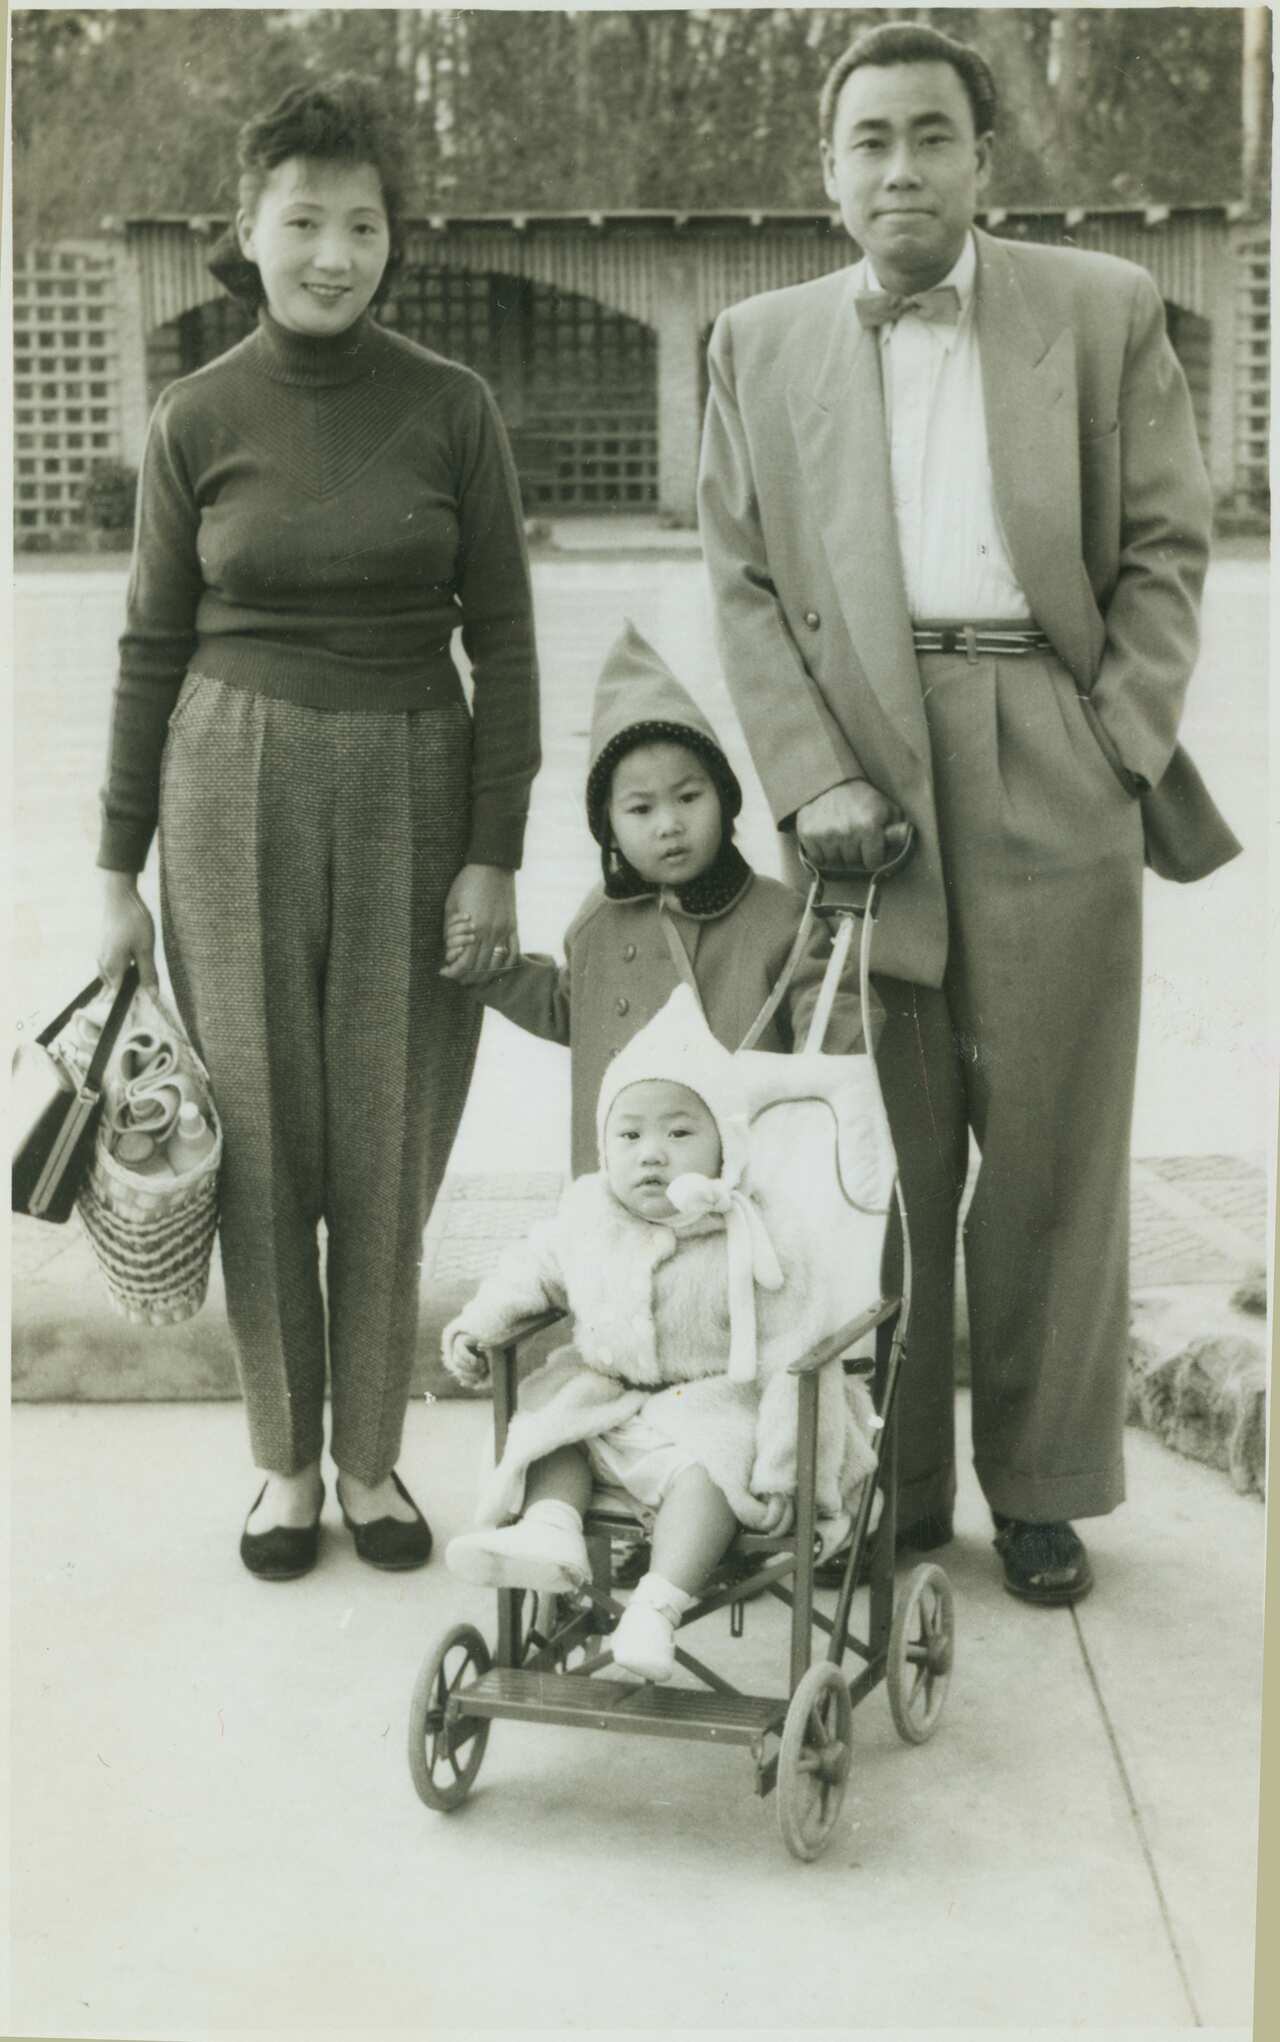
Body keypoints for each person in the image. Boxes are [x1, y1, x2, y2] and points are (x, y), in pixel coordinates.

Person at [697, 23, 1239, 1606]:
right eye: (869, 140)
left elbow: (1164, 548)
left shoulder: (1104, 307)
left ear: (986, 161)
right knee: (882, 1157)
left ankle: (1045, 1484)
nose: (901, 169)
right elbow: (739, 586)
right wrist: (810, 780)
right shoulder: (757, 340)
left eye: (934, 136)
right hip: (862, 773)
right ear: (828, 166)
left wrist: (1115, 747)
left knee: (1057, 1151)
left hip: (1047, 747)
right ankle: (894, 1484)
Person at [94, 77, 541, 1581]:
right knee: (266, 1131)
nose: (335, 250)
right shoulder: (195, 414)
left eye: (363, 223)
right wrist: (115, 871)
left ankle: (372, 1460)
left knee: (389, 1125)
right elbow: (149, 647)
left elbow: (512, 645)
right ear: (249, 231)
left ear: (392, 239)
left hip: (419, 774)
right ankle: (283, 1464)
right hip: (226, 788)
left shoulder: (452, 406)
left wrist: (495, 844)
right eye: (305, 220)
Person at [442, 987, 878, 1683]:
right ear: (604, 1146)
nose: (652, 1155)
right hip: (613, 1399)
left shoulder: (758, 1230)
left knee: (710, 1478)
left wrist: (782, 1466)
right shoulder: (588, 1213)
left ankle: (657, 1605)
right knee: (556, 1431)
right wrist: (478, 1324)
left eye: (679, 1134)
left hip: (721, 1408)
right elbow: (533, 1270)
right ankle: (551, 1533)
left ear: (725, 1146)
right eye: (629, 1135)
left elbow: (799, 1350)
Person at [445, 618, 877, 1177]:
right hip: (623, 1179)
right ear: (608, 826)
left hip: (742, 1181)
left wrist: (838, 1047)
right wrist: (488, 969)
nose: (669, 825)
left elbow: (830, 1018)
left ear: (724, 799)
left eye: (689, 797)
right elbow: (567, 1008)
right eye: (641, 809)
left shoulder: (778, 919)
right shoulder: (599, 920)